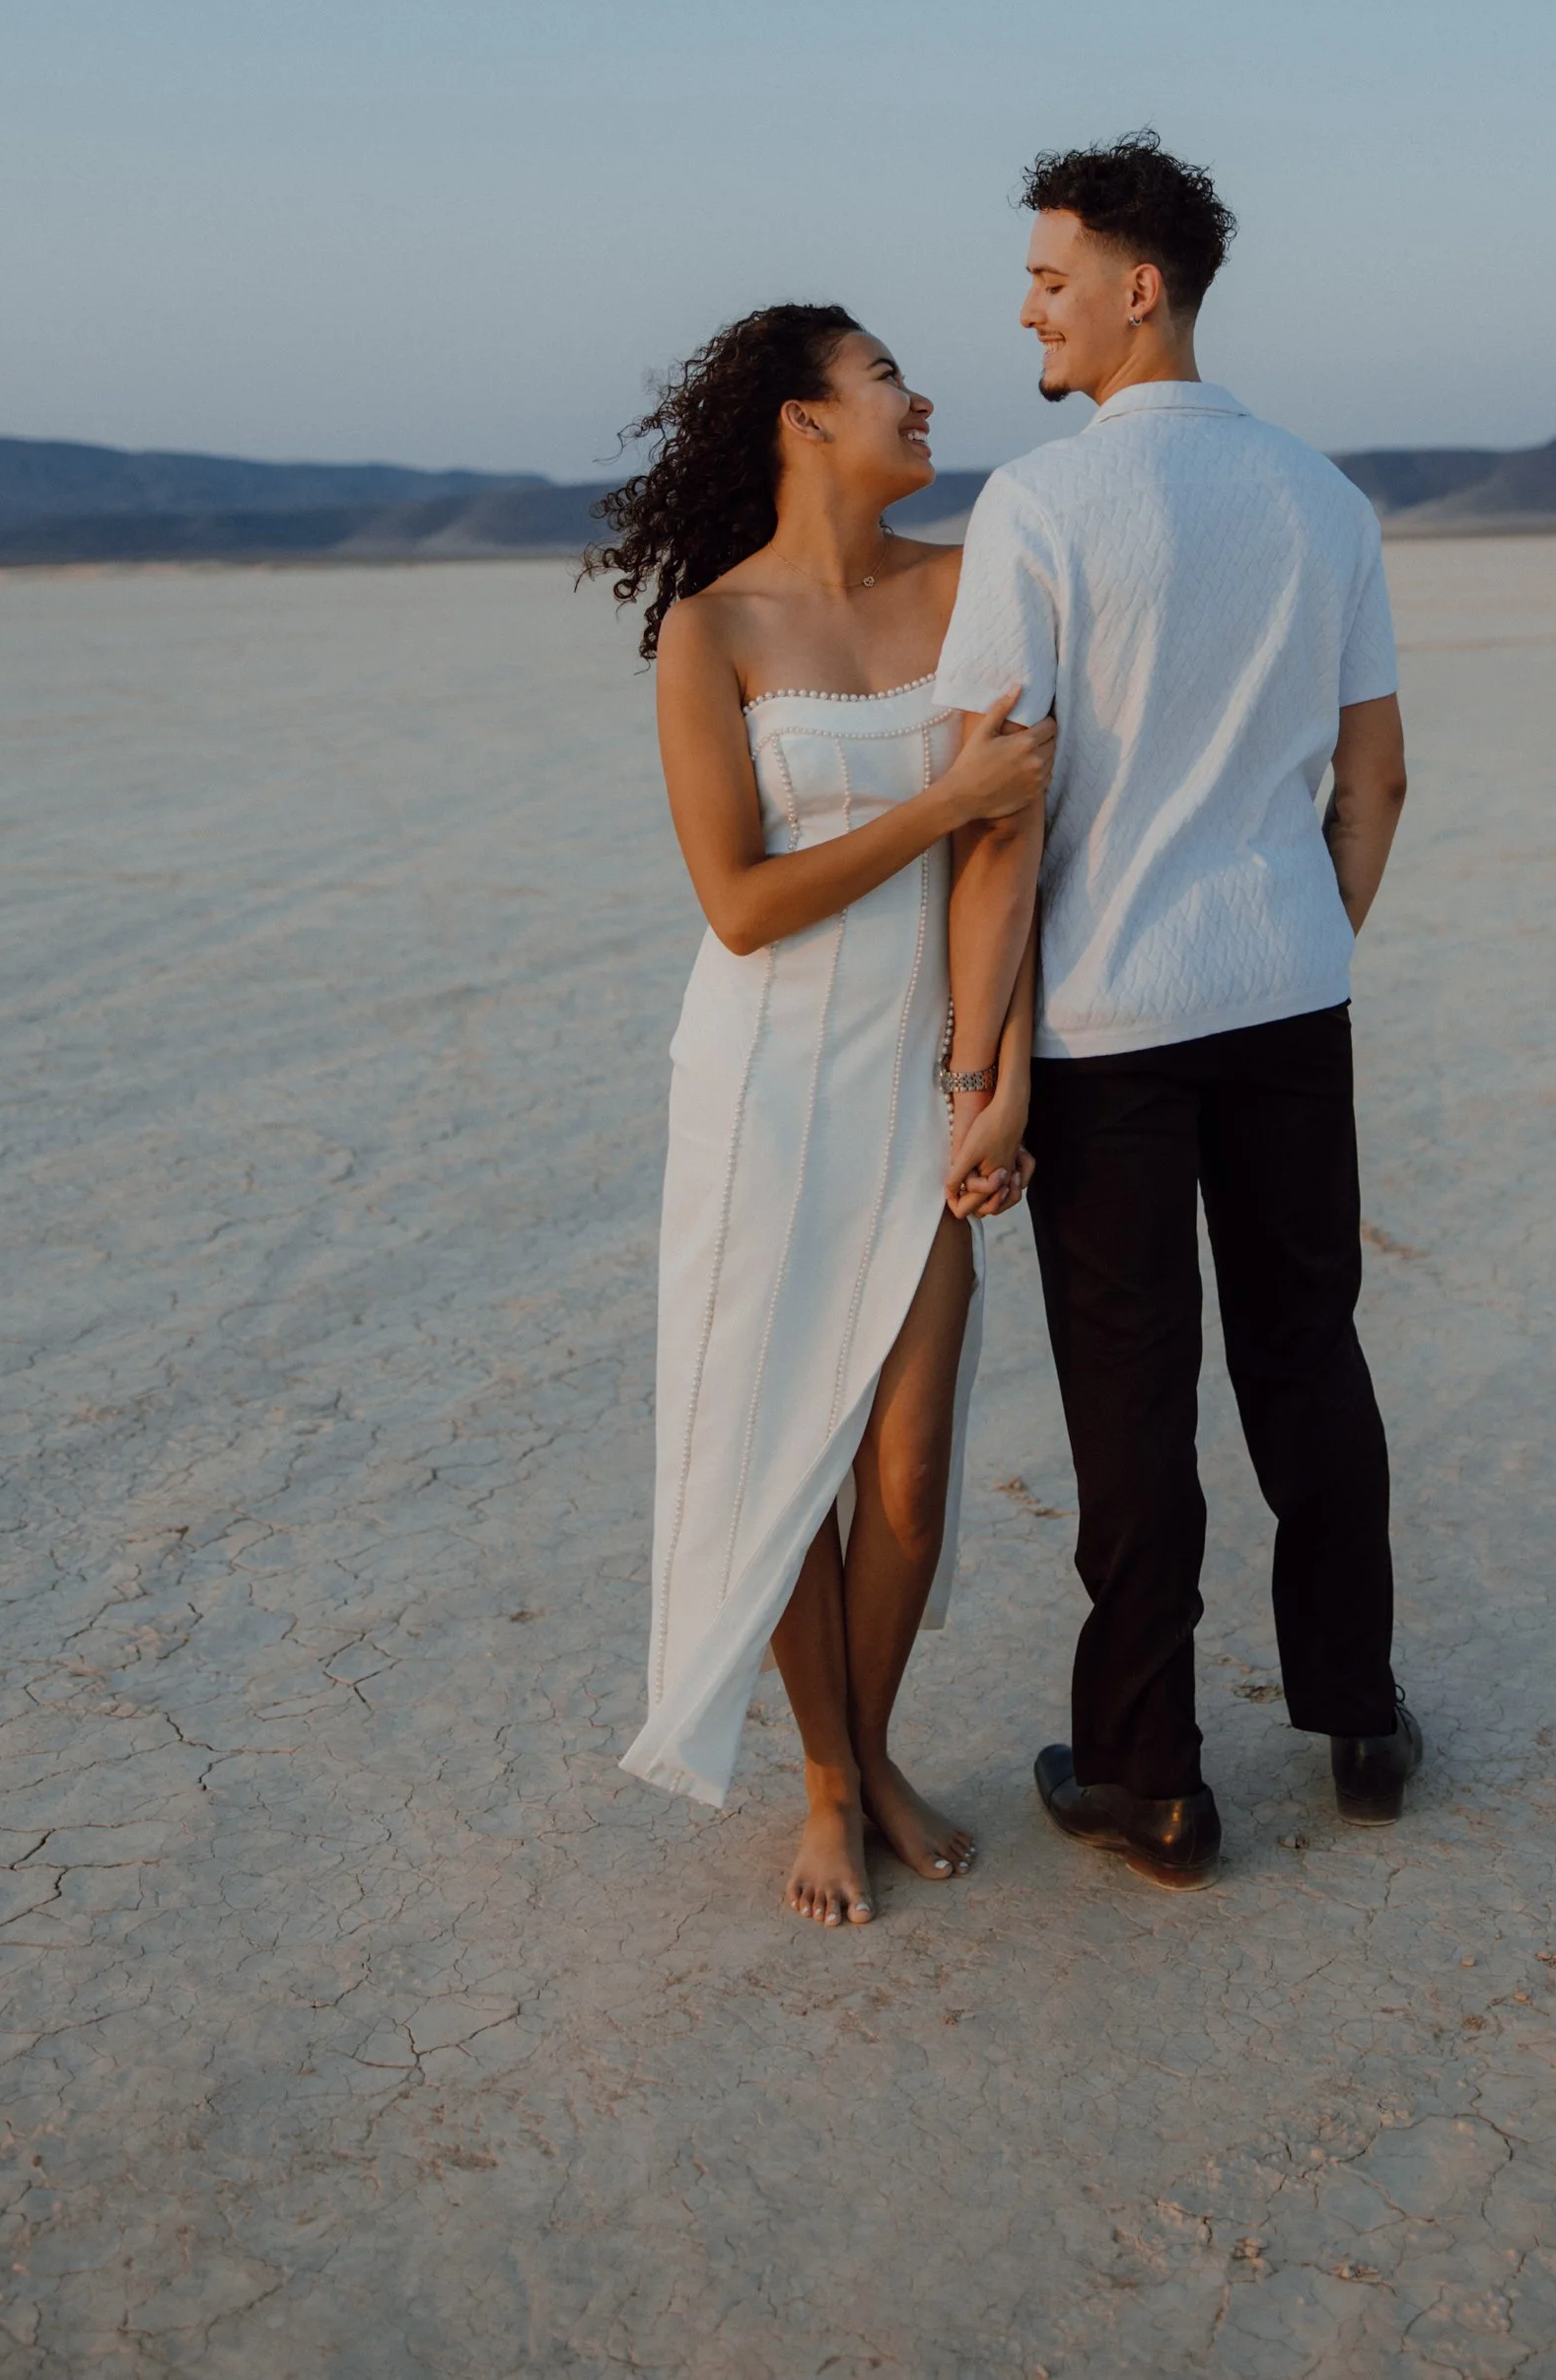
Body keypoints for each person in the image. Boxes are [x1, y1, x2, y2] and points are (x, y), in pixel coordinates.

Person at [936, 136, 1418, 1889]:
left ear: (1141, 287)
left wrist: (976, 1066)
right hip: (1288, 994)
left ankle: (1149, 1775)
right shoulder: (1323, 498)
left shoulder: (1043, 506)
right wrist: (1298, 927)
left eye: (1051, 275)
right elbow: (1379, 779)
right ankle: (1360, 1716)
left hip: (1109, 1024)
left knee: (1132, 1395)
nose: (1027, 306)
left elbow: (1000, 808)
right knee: (1311, 1350)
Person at [601, 306, 1049, 1925]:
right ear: (802, 419)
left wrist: (993, 1071)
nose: (919, 399)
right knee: (785, 1446)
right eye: (883, 380)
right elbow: (737, 902)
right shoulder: (710, 633)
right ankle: (829, 1779)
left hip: (918, 1074)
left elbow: (1015, 846)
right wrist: (935, 801)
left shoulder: (962, 584)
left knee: (913, 1469)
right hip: (763, 1085)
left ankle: (873, 1745)